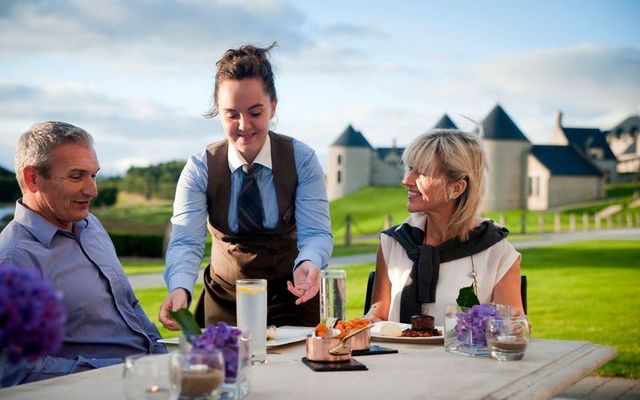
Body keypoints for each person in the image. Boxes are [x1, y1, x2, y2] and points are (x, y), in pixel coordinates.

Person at [158, 43, 332, 330]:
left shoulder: (302, 159)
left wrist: (310, 263)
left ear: (273, 105)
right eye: (231, 114)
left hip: (293, 296)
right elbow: (186, 241)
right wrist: (179, 288)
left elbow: (316, 233)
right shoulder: (199, 169)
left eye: (255, 112)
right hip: (225, 301)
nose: (244, 125)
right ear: (218, 111)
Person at [0, 121, 166, 387]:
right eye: (77, 176)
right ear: (33, 178)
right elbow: (18, 370)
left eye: (94, 175)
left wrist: (161, 360)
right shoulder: (13, 262)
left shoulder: (92, 226)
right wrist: (125, 371)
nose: (93, 191)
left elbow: (130, 306)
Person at [369, 129, 523, 325]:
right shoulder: (392, 243)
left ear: (456, 188)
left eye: (422, 173)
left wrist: (515, 325)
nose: (406, 180)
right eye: (409, 168)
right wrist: (362, 322)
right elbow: (378, 317)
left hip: (462, 356)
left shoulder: (498, 254)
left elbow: (511, 327)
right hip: (400, 357)